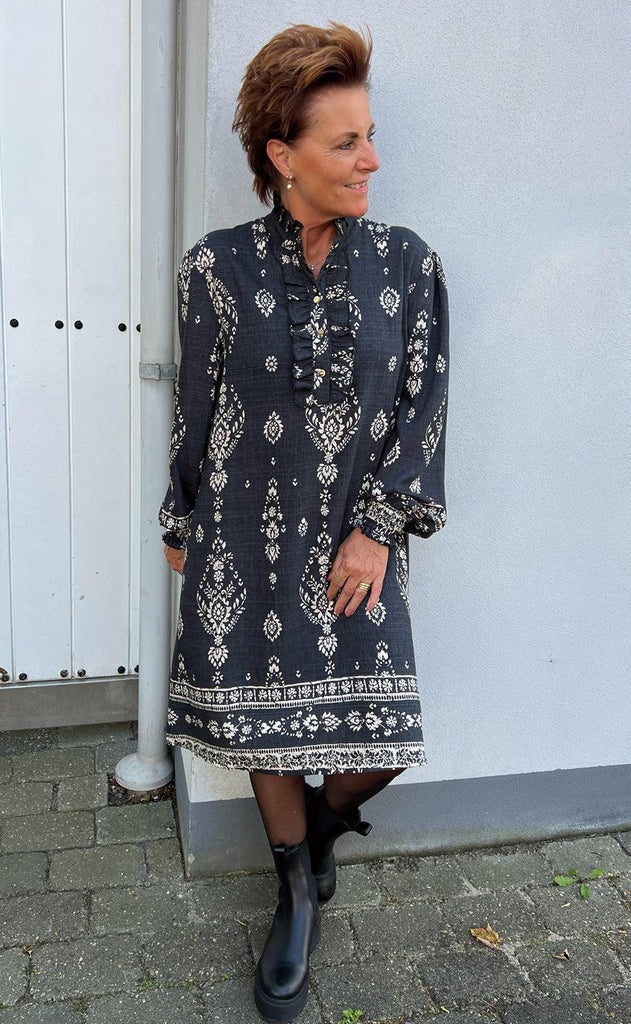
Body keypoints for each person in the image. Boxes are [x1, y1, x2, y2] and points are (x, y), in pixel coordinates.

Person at [158, 21, 449, 1023]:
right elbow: (196, 407)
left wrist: (377, 528)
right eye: (346, 141)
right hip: (241, 532)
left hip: (355, 539)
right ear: (283, 156)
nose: (371, 159)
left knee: (382, 737)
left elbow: (422, 407)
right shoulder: (214, 269)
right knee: (266, 725)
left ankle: (322, 830)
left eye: (370, 136)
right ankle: (294, 892)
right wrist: (180, 516)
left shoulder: (408, 264)